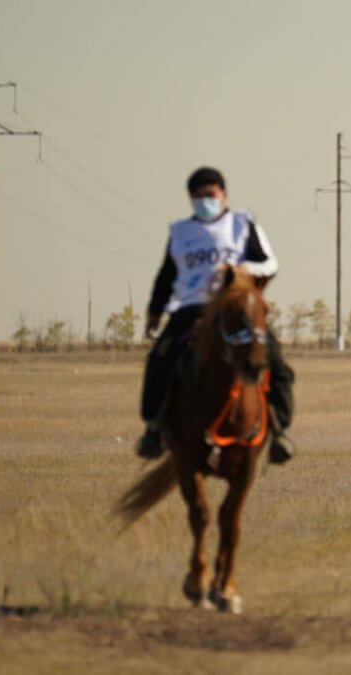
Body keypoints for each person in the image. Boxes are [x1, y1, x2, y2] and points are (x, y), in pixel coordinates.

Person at [135, 167, 296, 463]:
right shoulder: (180, 232)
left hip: (234, 308)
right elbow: (167, 274)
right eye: (197, 196)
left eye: (210, 194)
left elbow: (270, 264)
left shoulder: (242, 224)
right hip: (190, 309)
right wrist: (154, 312)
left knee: (274, 359)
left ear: (223, 195)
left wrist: (241, 271)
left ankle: (278, 430)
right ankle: (153, 428)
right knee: (159, 359)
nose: (204, 201)